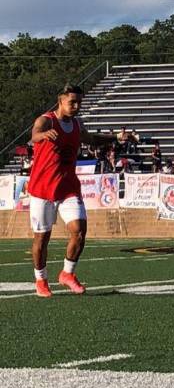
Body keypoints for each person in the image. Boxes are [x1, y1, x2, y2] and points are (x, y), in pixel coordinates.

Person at [27, 84, 118, 298]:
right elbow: (34, 135)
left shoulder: (77, 124)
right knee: (42, 238)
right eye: (72, 102)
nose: (76, 106)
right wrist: (43, 135)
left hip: (68, 187)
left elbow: (92, 140)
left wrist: (117, 138)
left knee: (79, 230)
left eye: (79, 103)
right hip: (43, 189)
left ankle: (67, 274)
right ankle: (40, 279)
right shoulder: (46, 120)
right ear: (60, 101)